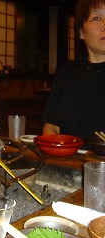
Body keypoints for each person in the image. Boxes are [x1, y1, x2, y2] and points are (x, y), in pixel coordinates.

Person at [41, 0, 105, 140]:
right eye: (96, 18)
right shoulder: (66, 73)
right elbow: (51, 127)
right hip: (70, 160)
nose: (104, 25)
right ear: (81, 32)